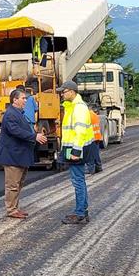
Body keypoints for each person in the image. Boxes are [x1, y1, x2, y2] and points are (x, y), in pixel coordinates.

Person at [0, 89, 48, 219]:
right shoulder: (10, 115)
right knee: (12, 185)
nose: (26, 101)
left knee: (18, 184)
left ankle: (15, 207)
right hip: (12, 156)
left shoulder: (19, 113)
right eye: (23, 98)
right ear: (15, 100)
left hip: (19, 155)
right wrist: (34, 136)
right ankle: (11, 210)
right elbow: (16, 131)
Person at [57, 81, 94, 225]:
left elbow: (80, 131)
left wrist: (76, 151)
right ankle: (82, 210)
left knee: (78, 181)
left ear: (72, 92)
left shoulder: (78, 108)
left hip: (76, 150)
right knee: (79, 180)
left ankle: (79, 213)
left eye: (64, 91)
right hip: (73, 148)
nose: (62, 94)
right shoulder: (72, 107)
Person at [17, 84, 40, 163]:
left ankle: (23, 158)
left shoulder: (17, 100)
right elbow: (36, 109)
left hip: (21, 121)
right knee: (32, 139)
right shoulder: (31, 98)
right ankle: (34, 158)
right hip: (30, 122)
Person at [85, 108, 103, 174]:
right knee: (96, 153)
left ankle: (90, 169)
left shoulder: (87, 115)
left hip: (91, 137)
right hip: (97, 136)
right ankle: (99, 166)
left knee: (90, 154)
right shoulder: (94, 115)